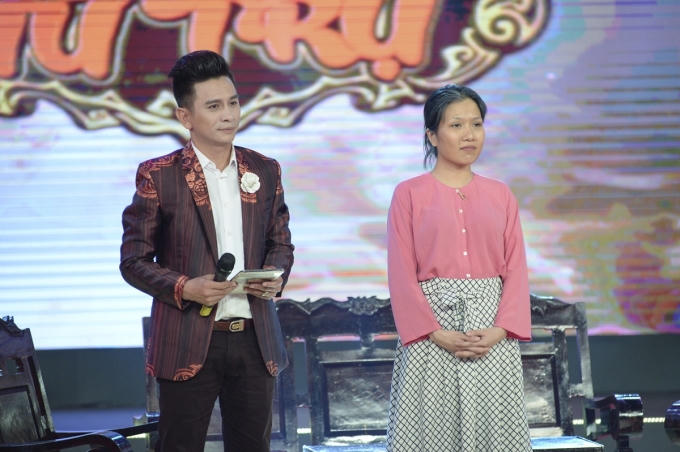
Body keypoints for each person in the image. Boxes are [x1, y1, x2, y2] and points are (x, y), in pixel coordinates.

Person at [120, 50, 294, 452]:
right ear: (185, 116)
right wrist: (186, 287)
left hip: (254, 337)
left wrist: (274, 276)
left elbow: (280, 242)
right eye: (214, 106)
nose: (228, 115)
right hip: (188, 338)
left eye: (233, 102)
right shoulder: (159, 175)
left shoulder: (264, 169)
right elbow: (133, 261)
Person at [385, 84, 532, 451]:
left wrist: (500, 330)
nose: (469, 135)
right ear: (432, 136)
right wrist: (435, 333)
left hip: (491, 334)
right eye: (456, 125)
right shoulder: (409, 194)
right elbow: (401, 273)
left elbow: (516, 269)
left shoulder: (501, 194)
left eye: (476, 124)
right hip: (431, 335)